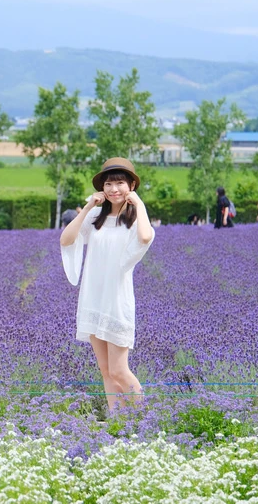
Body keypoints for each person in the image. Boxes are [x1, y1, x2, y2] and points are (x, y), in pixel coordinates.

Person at [60, 157, 154, 412]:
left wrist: (140, 204)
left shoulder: (136, 219)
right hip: (93, 298)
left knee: (119, 370)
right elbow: (66, 239)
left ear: (131, 185)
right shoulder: (95, 217)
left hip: (116, 300)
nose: (114, 189)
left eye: (120, 183)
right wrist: (89, 205)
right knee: (105, 370)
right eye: (109, 184)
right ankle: (117, 421)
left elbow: (146, 237)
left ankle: (145, 417)